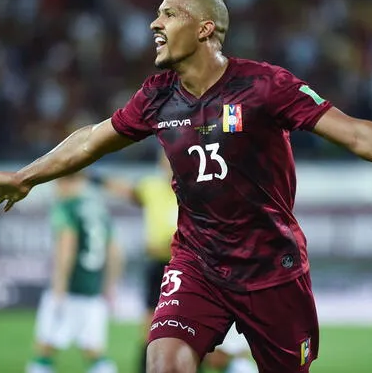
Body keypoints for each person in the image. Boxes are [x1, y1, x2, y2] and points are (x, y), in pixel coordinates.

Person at [0, 0, 372, 373]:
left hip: (271, 268)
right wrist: (28, 176)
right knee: (164, 358)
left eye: (169, 14)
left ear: (205, 28)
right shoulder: (156, 95)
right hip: (197, 260)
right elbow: (93, 138)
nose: (154, 24)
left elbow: (353, 133)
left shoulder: (265, 86)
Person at [101, 152, 257, 373]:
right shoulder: (151, 187)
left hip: (191, 265)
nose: (169, 166)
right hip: (157, 264)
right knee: (150, 326)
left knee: (192, 326)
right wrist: (92, 176)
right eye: (165, 161)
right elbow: (126, 190)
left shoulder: (194, 188)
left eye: (172, 161)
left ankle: (202, 364)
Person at [26, 172, 122, 373]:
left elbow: (66, 247)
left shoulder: (66, 207)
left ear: (64, 182)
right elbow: (115, 252)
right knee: (95, 353)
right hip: (93, 290)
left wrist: (59, 286)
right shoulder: (98, 209)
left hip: (70, 288)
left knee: (44, 351)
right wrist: (110, 286)